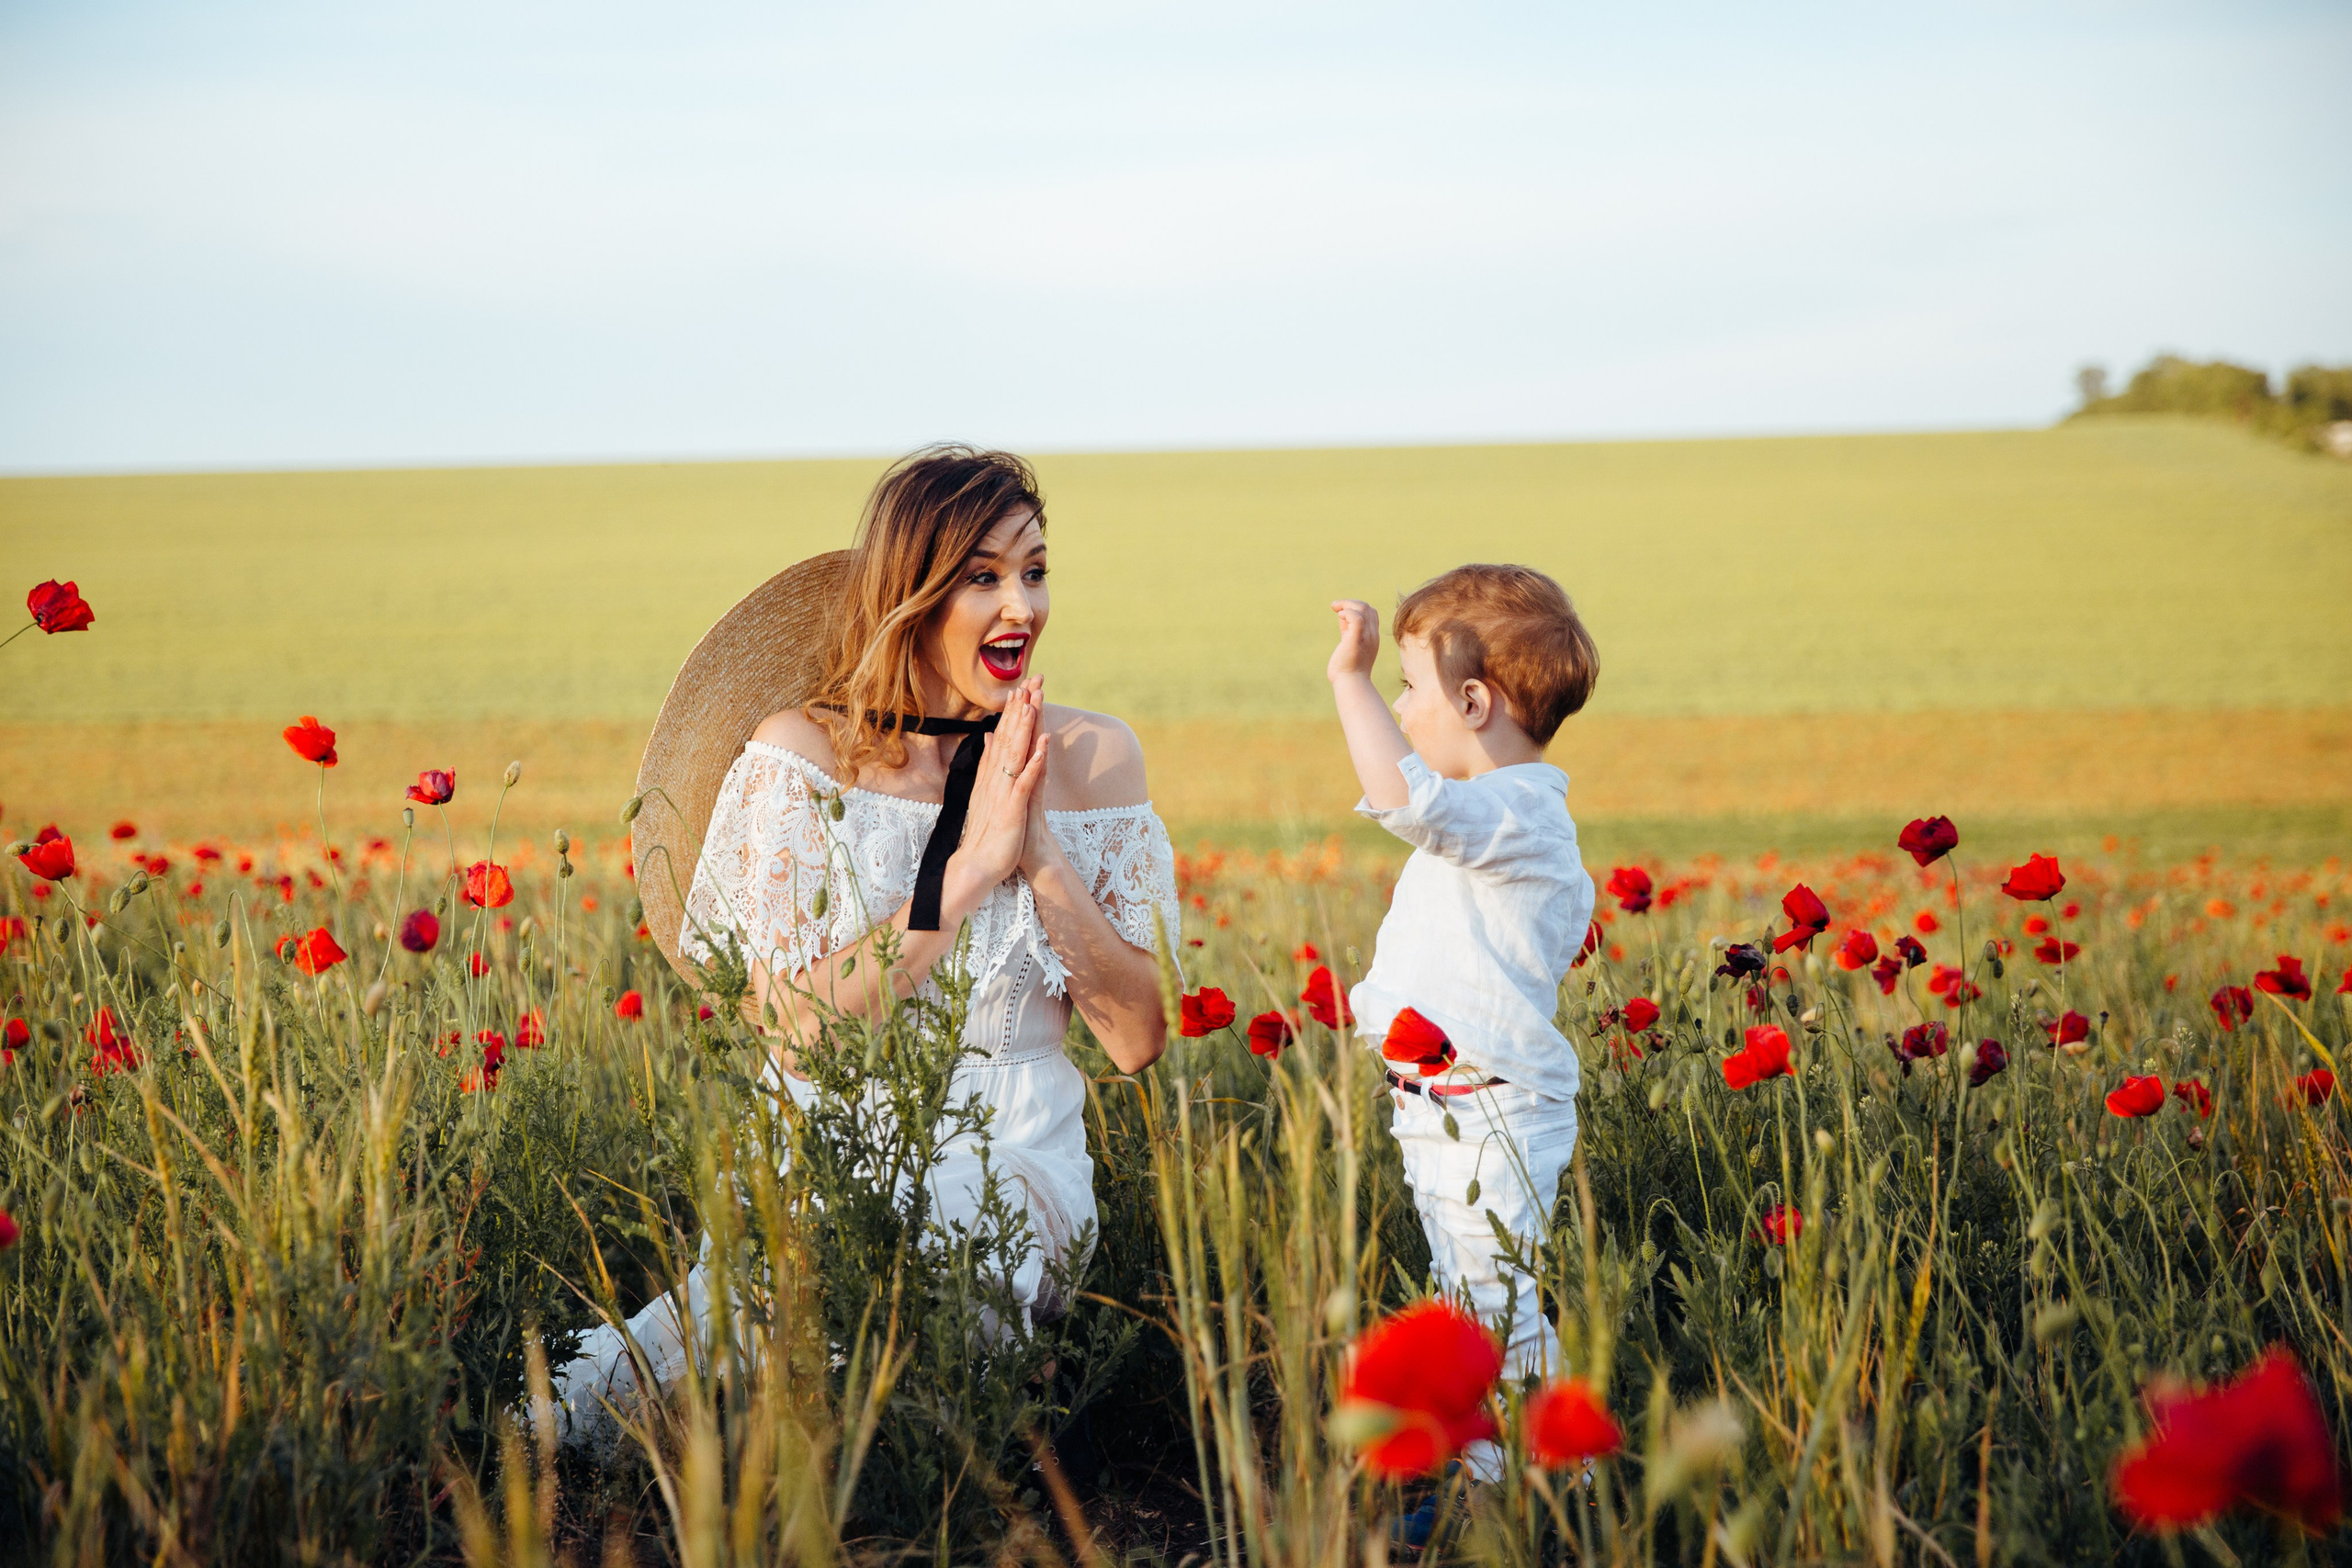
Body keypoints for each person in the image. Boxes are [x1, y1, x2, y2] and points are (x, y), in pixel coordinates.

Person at [548, 445, 1180, 1448]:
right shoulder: (802, 755)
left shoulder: (1096, 756)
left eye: (1033, 570)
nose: (1020, 605)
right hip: (825, 1156)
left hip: (1016, 1165)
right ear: (912, 595)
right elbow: (796, 1034)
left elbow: (1137, 1038)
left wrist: (1037, 848)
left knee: (869, 1354)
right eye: (982, 578)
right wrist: (966, 871)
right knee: (614, 1412)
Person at [1325, 564, 1599, 1505]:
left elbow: (1409, 804)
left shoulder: (1517, 815)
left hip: (1491, 1110)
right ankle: (1491, 1479)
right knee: (1467, 1295)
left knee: (1496, 1303)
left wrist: (1347, 682)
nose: (1400, 709)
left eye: (1409, 687)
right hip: (1441, 1103)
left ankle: (1562, 1489)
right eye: (1389, 688)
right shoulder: (1491, 819)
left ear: (1475, 701)